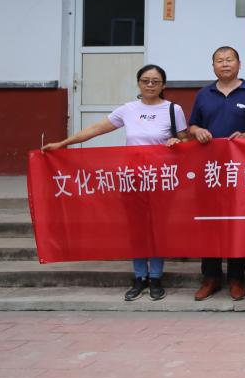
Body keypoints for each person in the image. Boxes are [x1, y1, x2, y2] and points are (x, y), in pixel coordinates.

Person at [42, 64, 188, 302]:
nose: (150, 85)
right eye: (145, 80)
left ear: (164, 85)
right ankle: (139, 277)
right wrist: (63, 144)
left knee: (157, 228)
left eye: (155, 81)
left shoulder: (173, 109)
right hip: (132, 178)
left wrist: (178, 142)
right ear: (138, 83)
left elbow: (185, 139)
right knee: (137, 228)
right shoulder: (128, 109)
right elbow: (96, 128)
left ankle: (156, 278)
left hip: (161, 179)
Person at [187, 46, 245, 302]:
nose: (225, 64)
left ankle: (236, 277)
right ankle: (210, 277)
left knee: (237, 222)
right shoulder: (204, 94)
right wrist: (197, 131)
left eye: (229, 59)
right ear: (213, 67)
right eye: (219, 60)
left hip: (240, 170)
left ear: (239, 64)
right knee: (210, 223)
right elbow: (192, 125)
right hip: (210, 170)